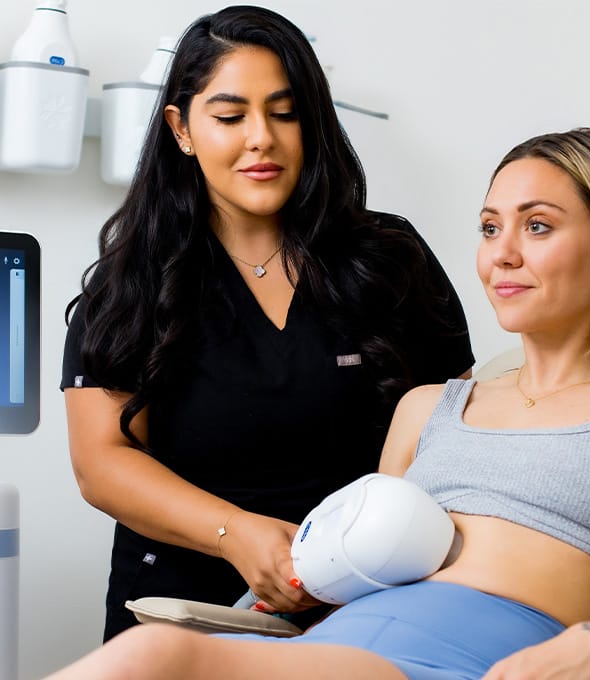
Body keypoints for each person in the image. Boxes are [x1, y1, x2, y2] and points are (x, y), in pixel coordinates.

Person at [49, 127, 590, 680]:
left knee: (152, 663)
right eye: (488, 227)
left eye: (537, 226)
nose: (501, 254)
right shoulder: (428, 407)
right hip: (333, 649)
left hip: (463, 663)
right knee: (156, 657)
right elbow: (351, 579)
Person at [60, 5, 474, 642]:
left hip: (371, 600)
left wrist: (367, 560)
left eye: (285, 113)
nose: (262, 138)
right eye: (230, 116)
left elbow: (460, 426)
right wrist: (236, 535)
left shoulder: (389, 259)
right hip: (185, 612)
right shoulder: (130, 285)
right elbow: (101, 460)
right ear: (182, 128)